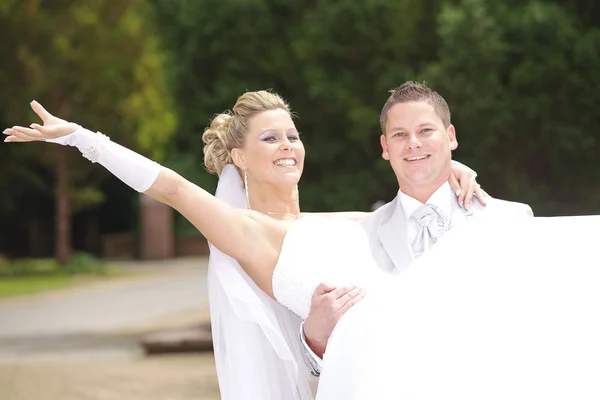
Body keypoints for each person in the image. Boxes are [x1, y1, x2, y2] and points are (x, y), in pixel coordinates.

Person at [6, 92, 600, 399]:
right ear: (238, 157)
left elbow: (407, 206)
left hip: (423, 363)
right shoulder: (249, 235)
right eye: (270, 137)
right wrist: (85, 139)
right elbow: (172, 188)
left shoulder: (335, 221)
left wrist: (453, 167)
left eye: (293, 133)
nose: (289, 145)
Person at [300, 82, 534, 375]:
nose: (413, 143)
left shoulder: (510, 221)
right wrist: (315, 337)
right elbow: (336, 362)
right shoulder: (357, 239)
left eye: (425, 131)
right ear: (385, 147)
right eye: (400, 134)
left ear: (450, 137)